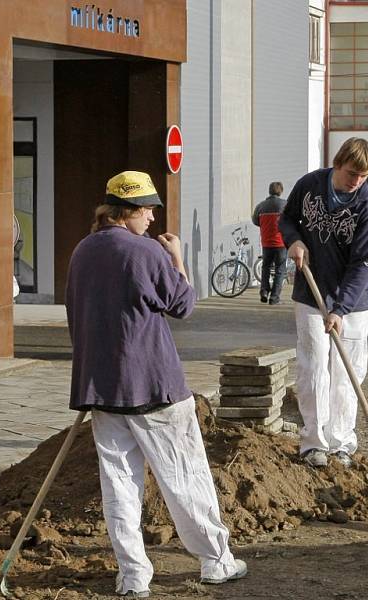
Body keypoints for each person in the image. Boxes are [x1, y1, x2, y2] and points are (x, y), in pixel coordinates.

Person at [66, 171, 246, 598]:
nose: (151, 216)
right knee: (184, 477)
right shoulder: (145, 252)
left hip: (102, 387)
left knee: (119, 485)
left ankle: (132, 576)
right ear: (126, 211)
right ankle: (215, 561)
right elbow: (183, 305)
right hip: (152, 384)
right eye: (146, 209)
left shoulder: (83, 250)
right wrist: (177, 259)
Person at [278, 138, 368, 469]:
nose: (356, 182)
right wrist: (293, 241)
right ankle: (314, 442)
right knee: (312, 366)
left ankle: (342, 442)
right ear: (338, 164)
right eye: (352, 174)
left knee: (347, 374)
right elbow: (288, 218)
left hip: (352, 303)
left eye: (363, 177)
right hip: (310, 294)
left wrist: (340, 309)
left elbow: (362, 264)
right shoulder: (309, 185)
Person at [252, 181, 288, 304]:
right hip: (281, 243)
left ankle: (264, 291)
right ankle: (274, 298)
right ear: (281, 191)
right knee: (280, 269)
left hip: (266, 242)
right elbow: (291, 220)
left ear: (269, 191)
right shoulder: (285, 205)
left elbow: (255, 221)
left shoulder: (260, 206)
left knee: (265, 267)